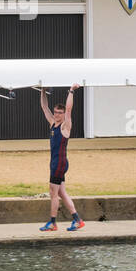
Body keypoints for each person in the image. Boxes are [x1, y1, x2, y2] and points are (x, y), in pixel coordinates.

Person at [39, 85, 84, 232]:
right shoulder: (53, 123)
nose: (57, 114)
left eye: (60, 113)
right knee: (61, 193)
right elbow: (44, 107)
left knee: (53, 193)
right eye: (56, 112)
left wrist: (71, 91)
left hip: (59, 164)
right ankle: (77, 220)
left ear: (64, 114)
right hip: (55, 163)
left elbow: (69, 109)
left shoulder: (65, 126)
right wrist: (43, 91)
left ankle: (52, 223)